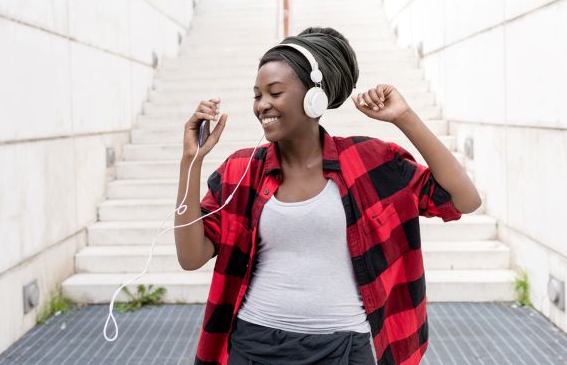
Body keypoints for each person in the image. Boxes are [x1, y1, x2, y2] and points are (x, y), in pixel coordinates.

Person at [174, 27, 482, 365]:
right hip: (253, 342)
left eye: (275, 92)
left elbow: (463, 200)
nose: (263, 105)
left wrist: (404, 119)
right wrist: (192, 160)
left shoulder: (369, 160)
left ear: (314, 98)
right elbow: (191, 257)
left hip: (345, 347)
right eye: (257, 95)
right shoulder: (241, 170)